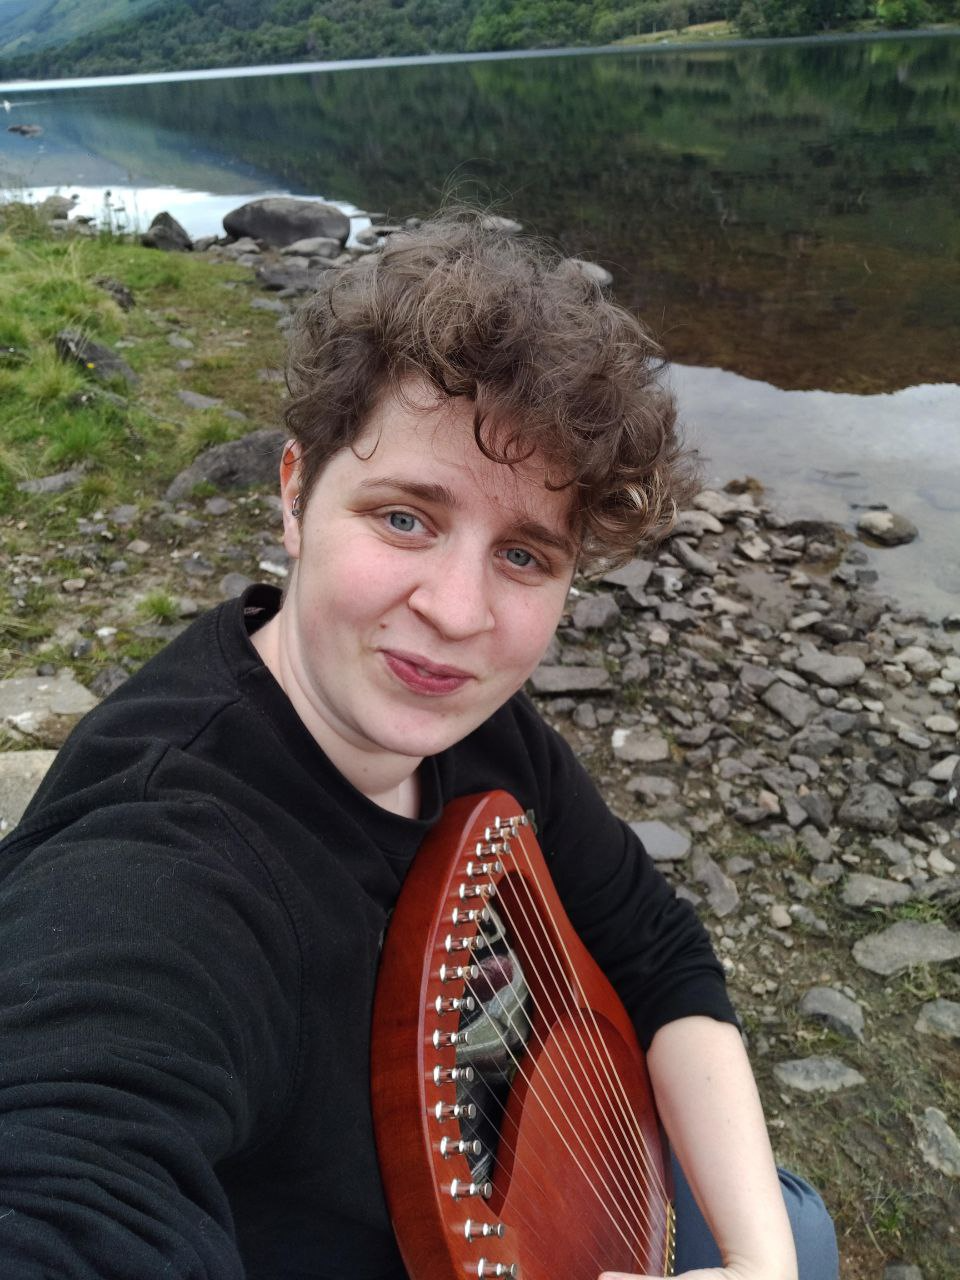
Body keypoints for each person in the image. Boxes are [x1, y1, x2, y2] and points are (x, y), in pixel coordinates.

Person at [0, 212, 838, 1280]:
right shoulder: (169, 857)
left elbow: (659, 950)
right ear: (297, 492)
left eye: (525, 554)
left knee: (794, 1229)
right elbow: (68, 1167)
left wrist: (761, 1268)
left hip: (576, 1190)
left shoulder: (487, 736)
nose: (455, 611)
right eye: (405, 517)